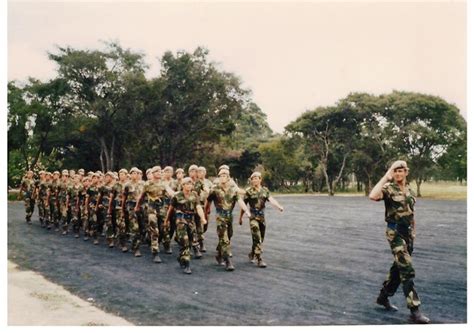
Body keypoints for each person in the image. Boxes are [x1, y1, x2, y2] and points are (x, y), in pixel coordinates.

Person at [369, 160, 430, 324]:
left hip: (407, 233)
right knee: (407, 269)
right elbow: (373, 196)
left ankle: (383, 297)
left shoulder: (409, 190)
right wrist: (385, 176)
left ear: (406, 172)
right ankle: (414, 310)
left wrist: (413, 231)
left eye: (401, 170)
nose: (398, 173)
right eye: (395, 171)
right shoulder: (388, 188)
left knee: (398, 268)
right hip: (394, 232)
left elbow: (412, 213)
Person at [205, 168, 250, 271]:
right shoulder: (215, 189)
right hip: (220, 216)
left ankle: (219, 254)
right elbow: (208, 201)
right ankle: (228, 262)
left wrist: (246, 211)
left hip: (229, 216)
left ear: (229, 178)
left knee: (229, 236)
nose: (222, 177)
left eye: (224, 175)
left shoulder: (233, 189)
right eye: (220, 176)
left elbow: (240, 201)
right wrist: (206, 212)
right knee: (224, 239)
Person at [239, 171, 283, 268]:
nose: (254, 180)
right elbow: (243, 205)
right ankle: (259, 259)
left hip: (262, 218)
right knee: (257, 236)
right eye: (253, 179)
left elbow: (271, 199)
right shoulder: (249, 191)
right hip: (253, 217)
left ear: (260, 179)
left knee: (260, 239)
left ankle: (252, 253)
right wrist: (241, 218)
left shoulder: (265, 191)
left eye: (256, 178)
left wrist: (279, 207)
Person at [163, 177, 207, 274]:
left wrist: (203, 218)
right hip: (180, 221)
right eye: (187, 184)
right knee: (185, 241)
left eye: (191, 184)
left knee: (192, 241)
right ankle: (187, 264)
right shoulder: (177, 196)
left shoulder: (194, 195)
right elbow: (171, 209)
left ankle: (181, 257)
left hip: (191, 220)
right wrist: (166, 220)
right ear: (182, 185)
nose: (189, 186)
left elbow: (198, 207)